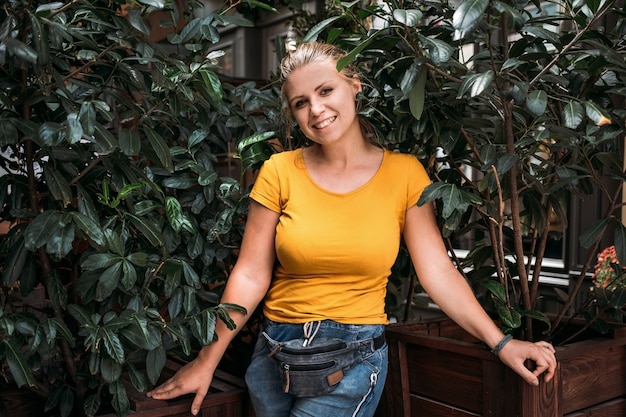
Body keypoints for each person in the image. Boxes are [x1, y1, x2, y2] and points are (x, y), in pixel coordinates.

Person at [146, 41, 557, 417]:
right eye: (301, 102)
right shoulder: (279, 171)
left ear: (354, 85)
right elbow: (250, 273)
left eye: (326, 91)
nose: (316, 110)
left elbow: (437, 272)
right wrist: (208, 358)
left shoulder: (405, 173)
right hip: (273, 357)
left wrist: (501, 342)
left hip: (352, 361)